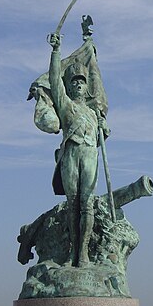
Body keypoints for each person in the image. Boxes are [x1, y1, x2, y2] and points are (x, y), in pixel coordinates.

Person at [48, 33, 110, 267]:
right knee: (73, 204)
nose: (77, 84)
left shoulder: (94, 113)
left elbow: (102, 136)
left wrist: (104, 127)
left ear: (86, 87)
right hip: (71, 155)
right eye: (74, 81)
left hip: (89, 154)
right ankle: (72, 252)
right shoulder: (66, 106)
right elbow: (55, 80)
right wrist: (56, 51)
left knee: (87, 204)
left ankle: (83, 254)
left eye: (81, 82)